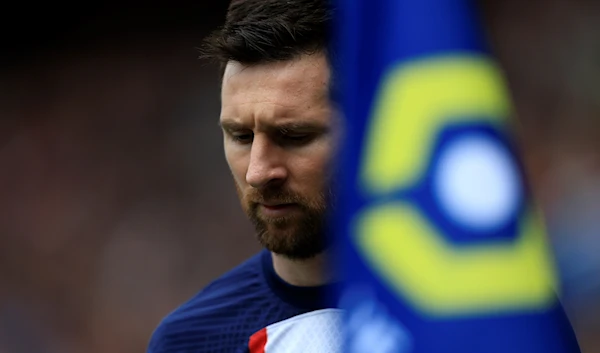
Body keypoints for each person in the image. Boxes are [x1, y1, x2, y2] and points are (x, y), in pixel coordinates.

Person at [146, 0, 342, 352]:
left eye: (295, 136)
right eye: (240, 136)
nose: (258, 172)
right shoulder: (191, 341)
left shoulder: (459, 304)